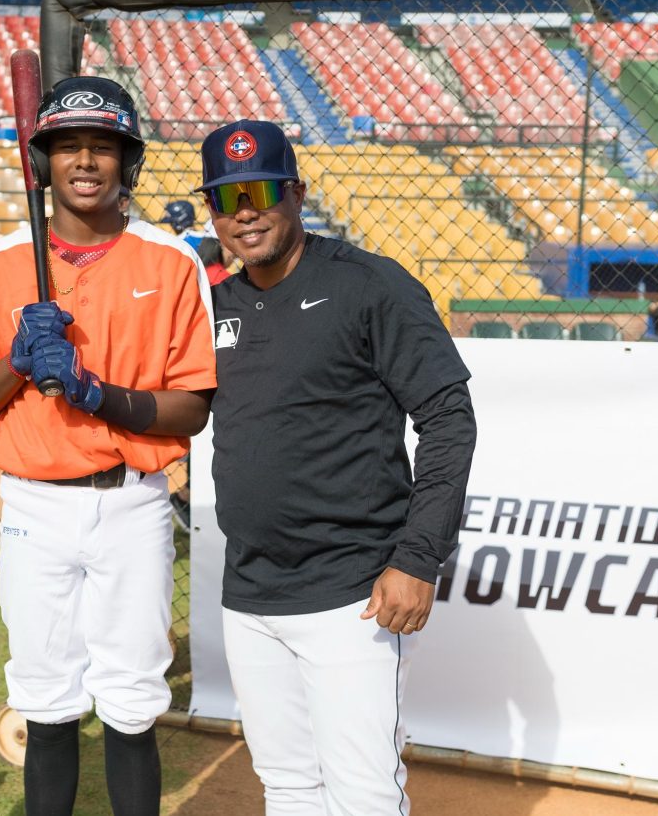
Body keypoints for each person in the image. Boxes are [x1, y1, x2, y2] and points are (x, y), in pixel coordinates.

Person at [198, 119, 476, 815]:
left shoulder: (369, 285)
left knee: (363, 794)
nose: (245, 212)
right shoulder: (218, 303)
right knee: (288, 785)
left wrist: (419, 557)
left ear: (296, 192)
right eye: (226, 199)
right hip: (252, 590)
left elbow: (447, 418)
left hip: (353, 592)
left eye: (260, 190)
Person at [0, 75, 217, 816]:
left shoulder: (171, 262)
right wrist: (16, 359)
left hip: (131, 502)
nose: (83, 161)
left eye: (101, 147)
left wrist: (95, 393)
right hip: (33, 507)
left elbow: (192, 409)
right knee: (46, 702)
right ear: (42, 161)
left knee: (133, 704)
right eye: (67, 145)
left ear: (126, 163)